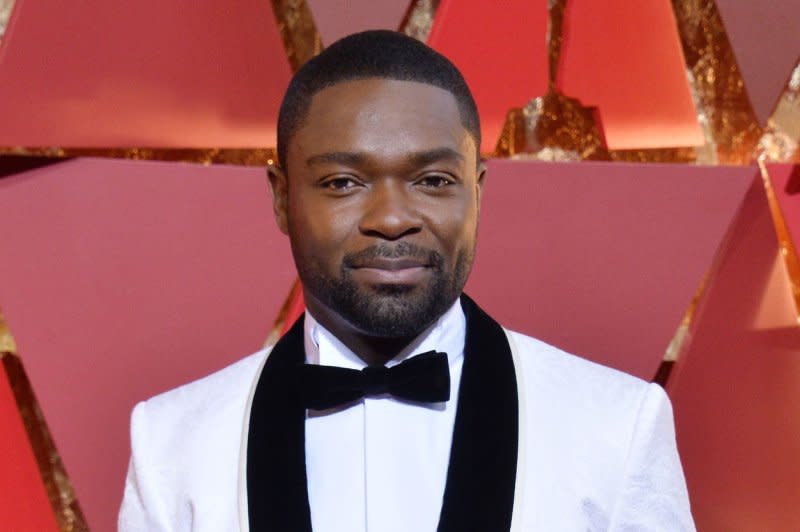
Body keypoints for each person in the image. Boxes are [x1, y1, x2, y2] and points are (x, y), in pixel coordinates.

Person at [118, 30, 694, 531]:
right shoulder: (169, 443)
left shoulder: (619, 426)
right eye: (343, 182)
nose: (392, 219)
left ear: (478, 192)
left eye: (434, 180)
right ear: (281, 198)